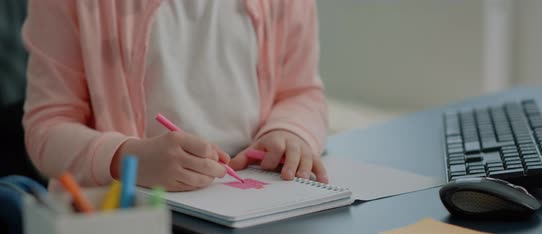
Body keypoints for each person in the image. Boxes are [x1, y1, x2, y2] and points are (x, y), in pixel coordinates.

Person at [22, 0, 329, 191]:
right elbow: (47, 127)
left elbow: (301, 92)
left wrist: (288, 132)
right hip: (123, 221)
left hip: (257, 210)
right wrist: (127, 159)